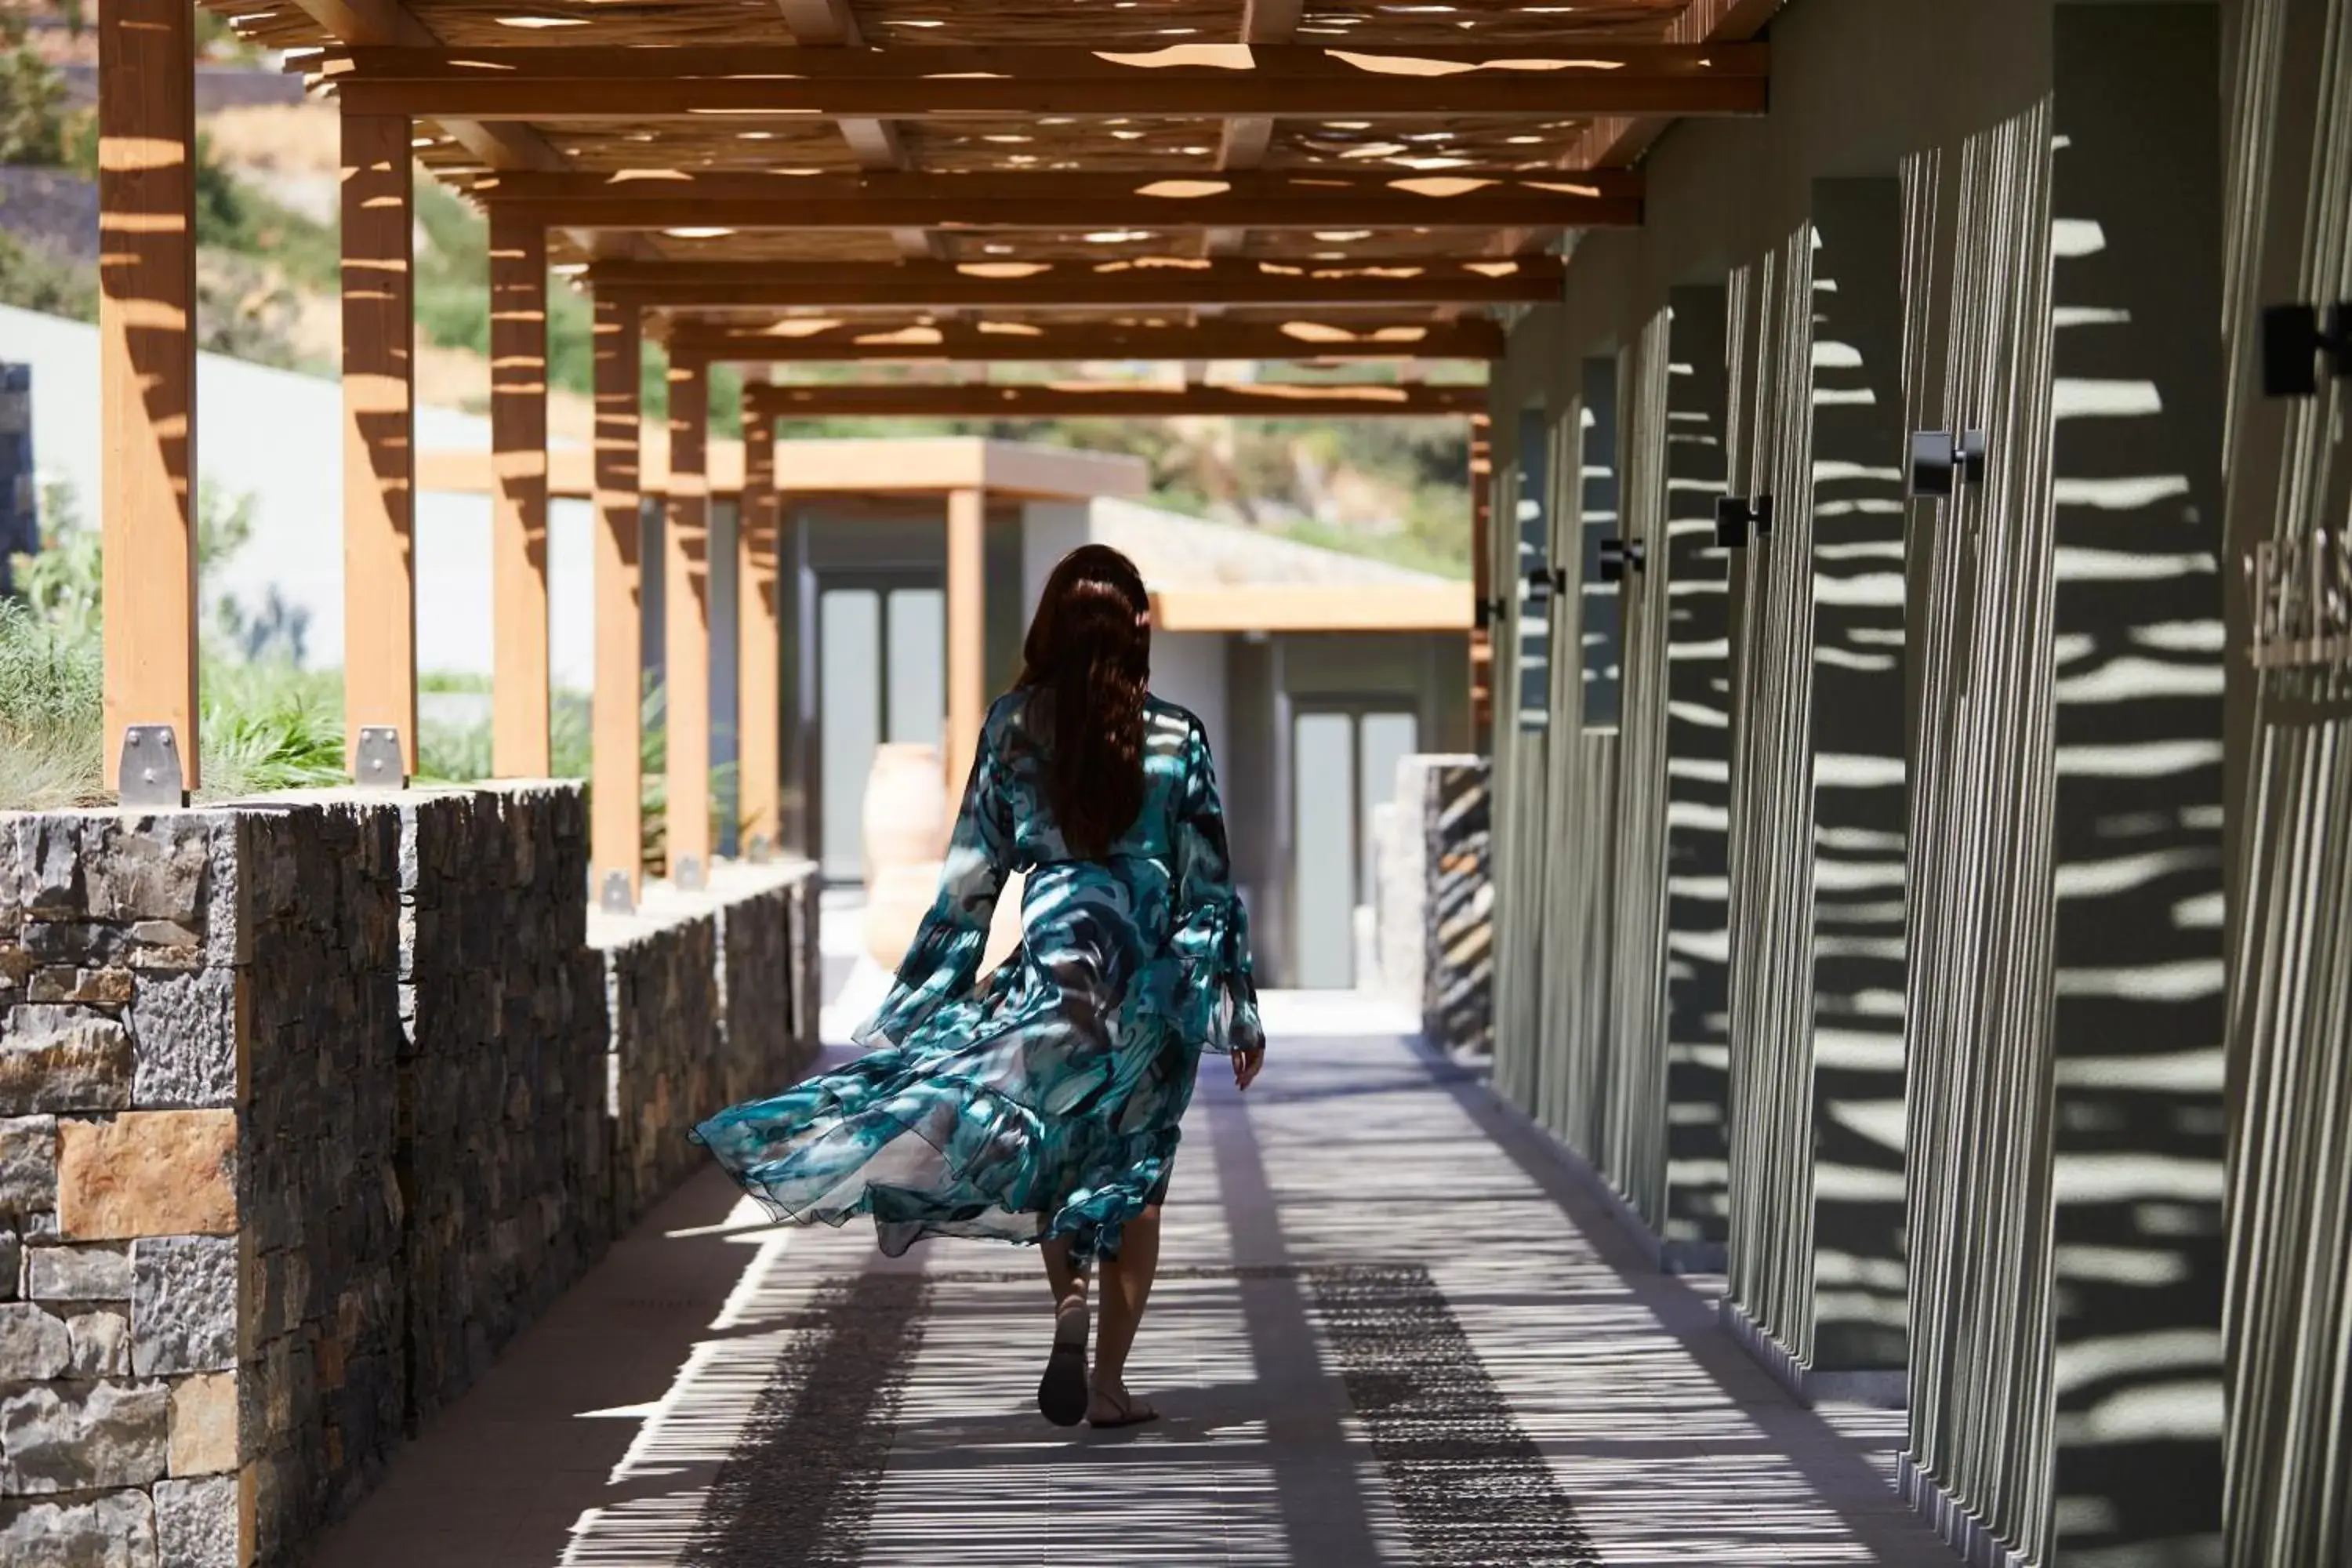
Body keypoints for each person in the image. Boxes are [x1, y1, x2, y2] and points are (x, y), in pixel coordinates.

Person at [693, 543, 1266, 1430]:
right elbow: (1210, 888)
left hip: (1056, 979)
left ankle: (1068, 1304)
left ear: (1049, 627)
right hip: (1150, 989)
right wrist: (1232, 1009)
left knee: (1053, 1156)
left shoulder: (1010, 730)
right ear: (1137, 628)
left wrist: (927, 1001)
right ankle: (1109, 1380)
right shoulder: (1179, 736)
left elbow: (971, 878)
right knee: (1136, 1176)